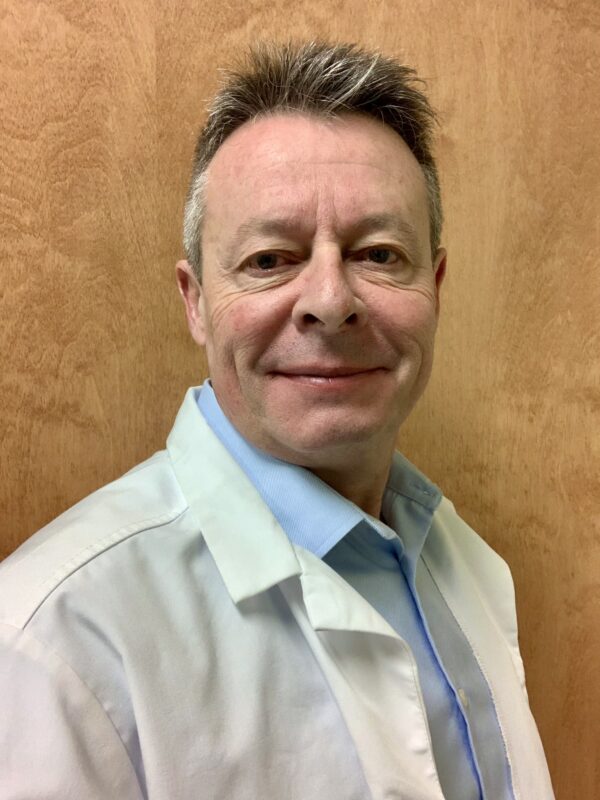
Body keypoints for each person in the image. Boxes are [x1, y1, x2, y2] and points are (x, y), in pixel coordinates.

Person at [0, 41, 554, 800]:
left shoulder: (468, 564)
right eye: (269, 259)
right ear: (196, 301)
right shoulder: (51, 639)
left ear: (435, 286)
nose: (330, 300)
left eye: (379, 254)